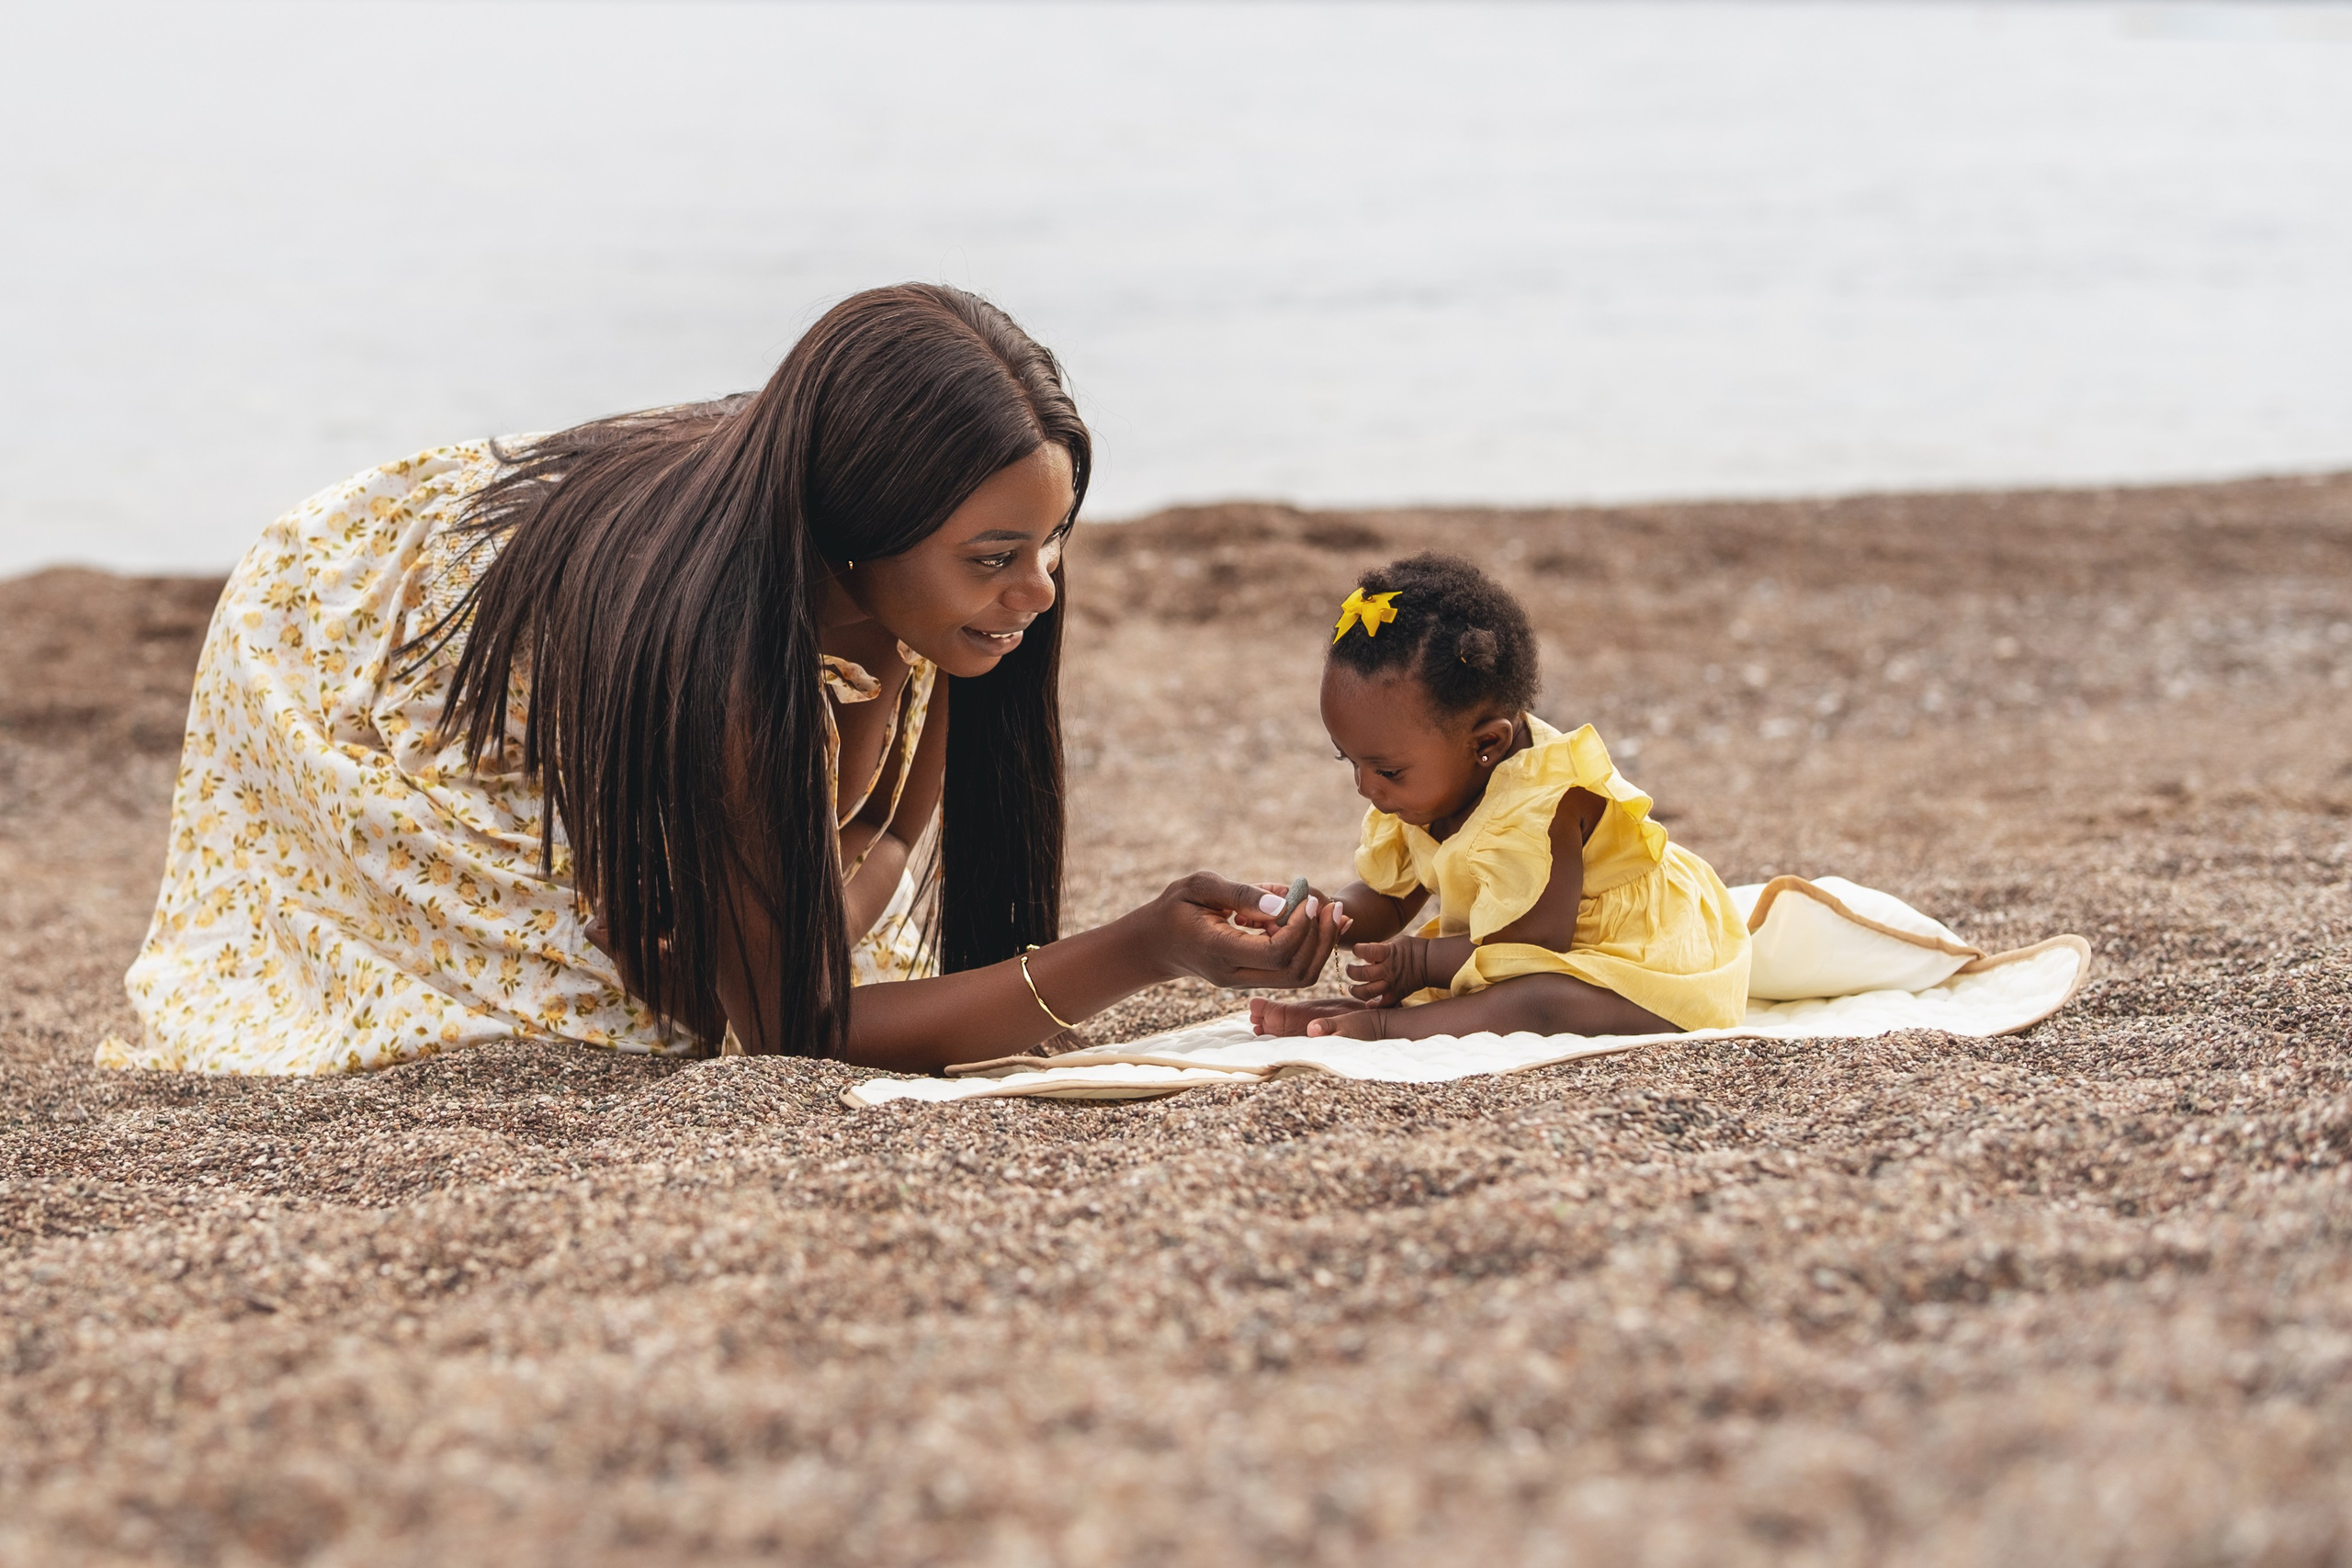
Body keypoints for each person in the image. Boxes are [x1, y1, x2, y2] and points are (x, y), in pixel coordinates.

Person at [100, 284, 1339, 1077]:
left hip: (635, 605)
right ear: (861, 526)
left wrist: (881, 836)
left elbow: (856, 854)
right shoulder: (731, 661)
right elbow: (797, 1028)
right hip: (349, 630)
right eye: (996, 558)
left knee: (790, 905)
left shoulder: (888, 567)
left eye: (1053, 539)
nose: (1042, 591)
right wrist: (1144, 946)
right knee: (639, 999)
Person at [1249, 553, 1750, 1042]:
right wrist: (1323, 918)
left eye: (1386, 769)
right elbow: (1387, 899)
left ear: (1486, 744)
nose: (1366, 786)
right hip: (1526, 951)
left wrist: (1420, 962)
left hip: (1647, 953)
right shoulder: (1422, 788)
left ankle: (1387, 1028)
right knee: (1482, 987)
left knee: (1537, 1000)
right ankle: (1379, 1016)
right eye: (1348, 760)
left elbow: (1532, 944)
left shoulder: (1550, 801)